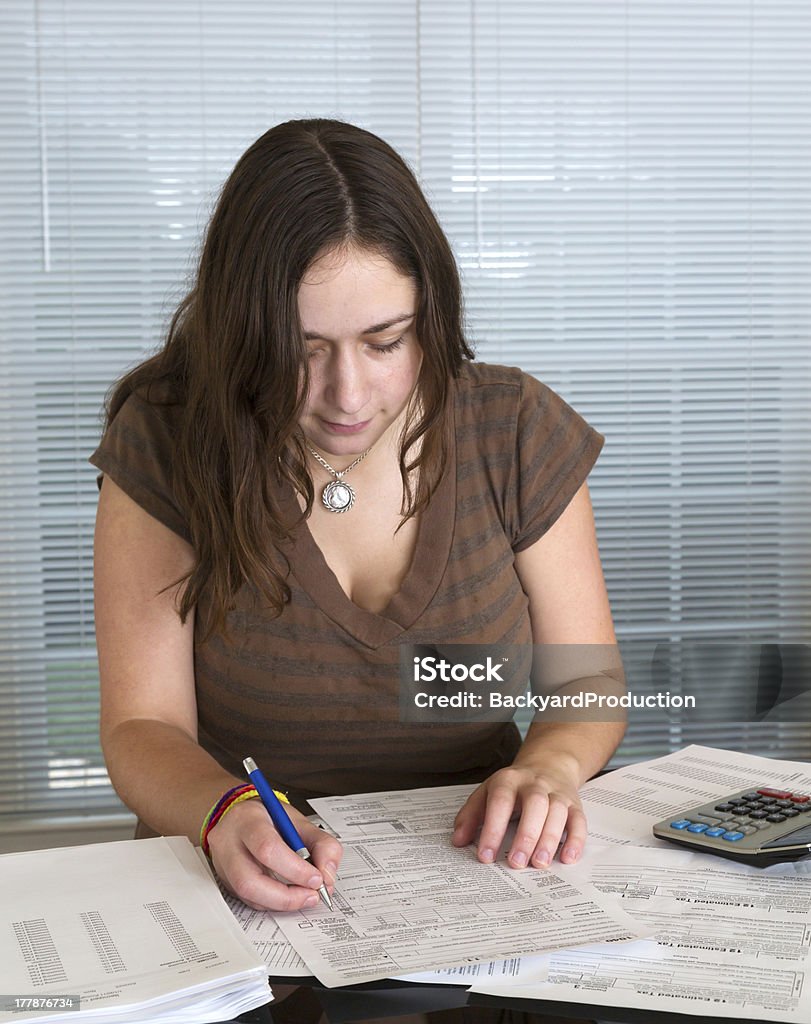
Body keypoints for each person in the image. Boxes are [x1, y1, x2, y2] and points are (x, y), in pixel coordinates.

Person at [91, 118, 625, 1021]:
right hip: (237, 919)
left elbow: (586, 683)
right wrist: (224, 812)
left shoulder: (512, 427)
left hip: (474, 906)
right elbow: (141, 725)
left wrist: (553, 767)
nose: (347, 395)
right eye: (302, 350)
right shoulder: (170, 436)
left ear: (432, 314)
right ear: (241, 330)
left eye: (386, 341)